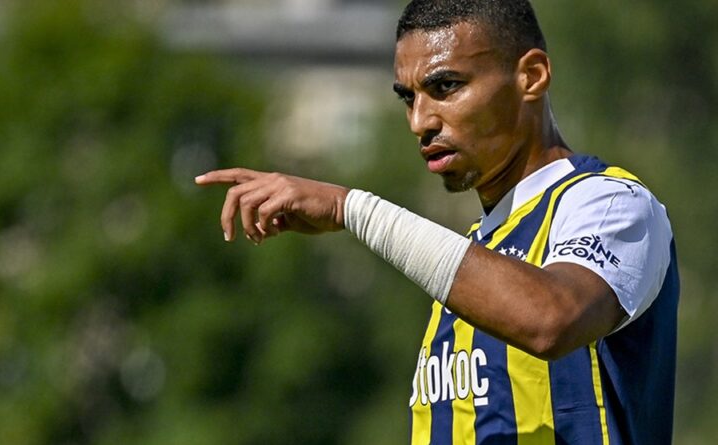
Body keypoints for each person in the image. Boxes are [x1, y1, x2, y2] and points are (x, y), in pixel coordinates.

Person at [195, 0, 679, 443]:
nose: (419, 122)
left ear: (531, 76)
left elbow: (551, 321)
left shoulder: (610, 203)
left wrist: (352, 209)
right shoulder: (473, 259)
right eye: (408, 98)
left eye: (445, 87)